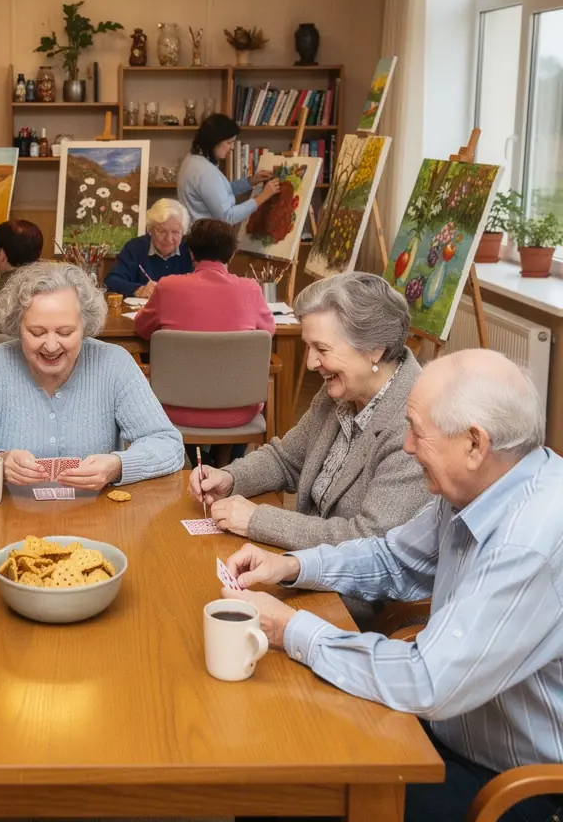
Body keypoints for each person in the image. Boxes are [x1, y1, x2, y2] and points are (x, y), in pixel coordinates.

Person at [223, 350, 562, 822]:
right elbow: (394, 556)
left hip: (515, 789)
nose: (405, 446)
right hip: (442, 732)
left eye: (417, 431)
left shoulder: (531, 541)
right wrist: (292, 566)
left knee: (281, 790)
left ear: (474, 444)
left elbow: (427, 681)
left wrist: (290, 629)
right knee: (275, 757)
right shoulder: (481, 485)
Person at [189, 272, 430, 626]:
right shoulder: (345, 389)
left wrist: (258, 520)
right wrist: (229, 476)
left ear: (374, 349)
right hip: (296, 567)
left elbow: (367, 542)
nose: (310, 363)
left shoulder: (414, 422)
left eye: (322, 349)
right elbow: (287, 458)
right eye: (309, 347)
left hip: (350, 602)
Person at [0, 261, 184, 489]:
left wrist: (117, 465)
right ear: (17, 325)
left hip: (96, 520)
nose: (51, 346)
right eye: (37, 333)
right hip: (7, 518)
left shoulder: (114, 364)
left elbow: (168, 445)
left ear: (85, 325)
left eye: (65, 332)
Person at [134, 218, 274, 433]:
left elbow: (142, 329)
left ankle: (203, 459)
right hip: (239, 410)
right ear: (232, 253)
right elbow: (269, 332)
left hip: (174, 408)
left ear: (190, 252)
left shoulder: (168, 286)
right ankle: (225, 462)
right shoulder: (250, 288)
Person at [177, 113, 280, 226]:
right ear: (215, 140)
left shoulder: (193, 159)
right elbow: (228, 217)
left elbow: (219, 192)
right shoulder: (205, 172)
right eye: (228, 143)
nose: (230, 148)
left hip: (199, 234)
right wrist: (263, 197)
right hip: (205, 238)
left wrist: (250, 181)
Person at [103, 198, 193, 298]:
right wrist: (139, 290)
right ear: (150, 229)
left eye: (175, 232)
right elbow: (111, 281)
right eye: (161, 231)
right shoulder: (135, 248)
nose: (168, 239)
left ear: (183, 232)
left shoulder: (190, 251)